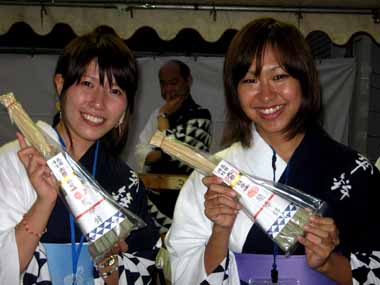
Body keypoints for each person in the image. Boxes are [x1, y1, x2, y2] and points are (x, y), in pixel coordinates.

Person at [165, 17, 380, 285]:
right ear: (235, 91)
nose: (266, 95)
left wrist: (326, 263)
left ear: (304, 80)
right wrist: (221, 230)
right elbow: (184, 274)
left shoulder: (354, 171)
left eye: (279, 76)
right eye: (250, 80)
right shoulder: (212, 175)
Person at [0, 29, 159, 285]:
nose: (98, 102)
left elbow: (143, 267)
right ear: (61, 84)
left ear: (125, 108)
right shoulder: (17, 160)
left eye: (115, 90)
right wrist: (44, 202)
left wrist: (108, 263)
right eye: (88, 83)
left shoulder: (126, 182)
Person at [135, 60, 212, 230]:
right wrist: (159, 153)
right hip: (153, 200)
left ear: (188, 81)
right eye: (163, 84)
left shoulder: (200, 115)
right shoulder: (159, 112)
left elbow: (180, 159)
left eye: (174, 82)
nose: (168, 89)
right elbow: (141, 153)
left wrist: (162, 131)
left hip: (186, 202)